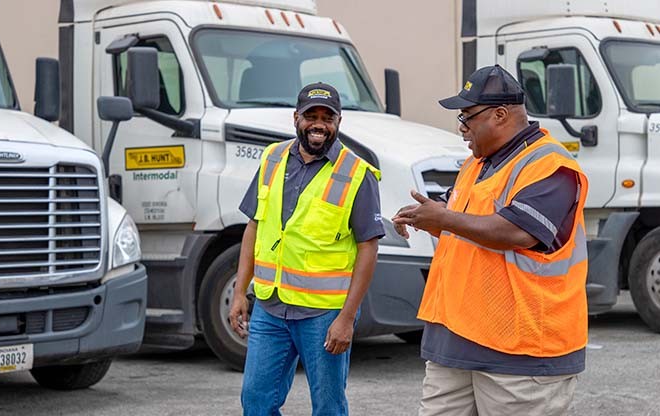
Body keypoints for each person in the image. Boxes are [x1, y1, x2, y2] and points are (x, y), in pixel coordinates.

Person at [392, 65, 589, 416]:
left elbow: (517, 231)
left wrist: (445, 218)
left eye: (467, 117)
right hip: (454, 340)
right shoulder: (476, 163)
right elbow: (465, 223)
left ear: (500, 115)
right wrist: (429, 219)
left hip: (521, 352)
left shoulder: (551, 165)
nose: (462, 128)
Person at [229, 82, 384, 416]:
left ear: (338, 122)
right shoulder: (272, 158)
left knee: (328, 407)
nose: (318, 124)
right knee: (255, 401)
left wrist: (346, 319)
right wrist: (240, 291)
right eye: (310, 116)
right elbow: (254, 226)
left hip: (324, 315)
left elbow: (368, 247)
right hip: (271, 308)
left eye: (326, 117)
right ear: (295, 118)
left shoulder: (357, 174)